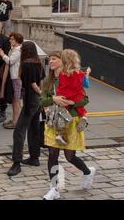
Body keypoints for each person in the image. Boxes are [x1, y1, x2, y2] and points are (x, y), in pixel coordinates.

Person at [41, 51, 95, 200]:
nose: (51, 62)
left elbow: (84, 99)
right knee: (53, 153)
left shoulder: (73, 76)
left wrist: (72, 103)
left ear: (63, 62)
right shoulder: (47, 81)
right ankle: (54, 188)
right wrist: (53, 98)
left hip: (70, 121)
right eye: (49, 59)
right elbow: (41, 100)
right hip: (54, 121)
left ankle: (88, 172)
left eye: (54, 59)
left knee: (70, 156)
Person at [7, 41, 44, 177]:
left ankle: (16, 162)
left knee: (19, 131)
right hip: (36, 100)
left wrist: (41, 94)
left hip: (31, 101)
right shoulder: (38, 62)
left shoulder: (27, 64)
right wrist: (42, 96)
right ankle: (34, 157)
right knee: (34, 128)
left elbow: (33, 84)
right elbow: (41, 80)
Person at [52, 50, 90, 146]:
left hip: (63, 96)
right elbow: (86, 85)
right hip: (76, 96)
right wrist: (87, 74)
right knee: (81, 108)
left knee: (62, 114)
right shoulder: (80, 74)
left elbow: (58, 83)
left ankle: (60, 133)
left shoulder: (60, 73)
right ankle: (84, 117)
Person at [0, 32, 24, 129]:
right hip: (13, 77)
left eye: (12, 39)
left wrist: (2, 54)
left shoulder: (18, 50)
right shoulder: (14, 49)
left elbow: (10, 61)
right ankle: (14, 119)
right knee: (14, 100)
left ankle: (16, 121)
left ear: (16, 40)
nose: (10, 40)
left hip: (16, 78)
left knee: (16, 100)